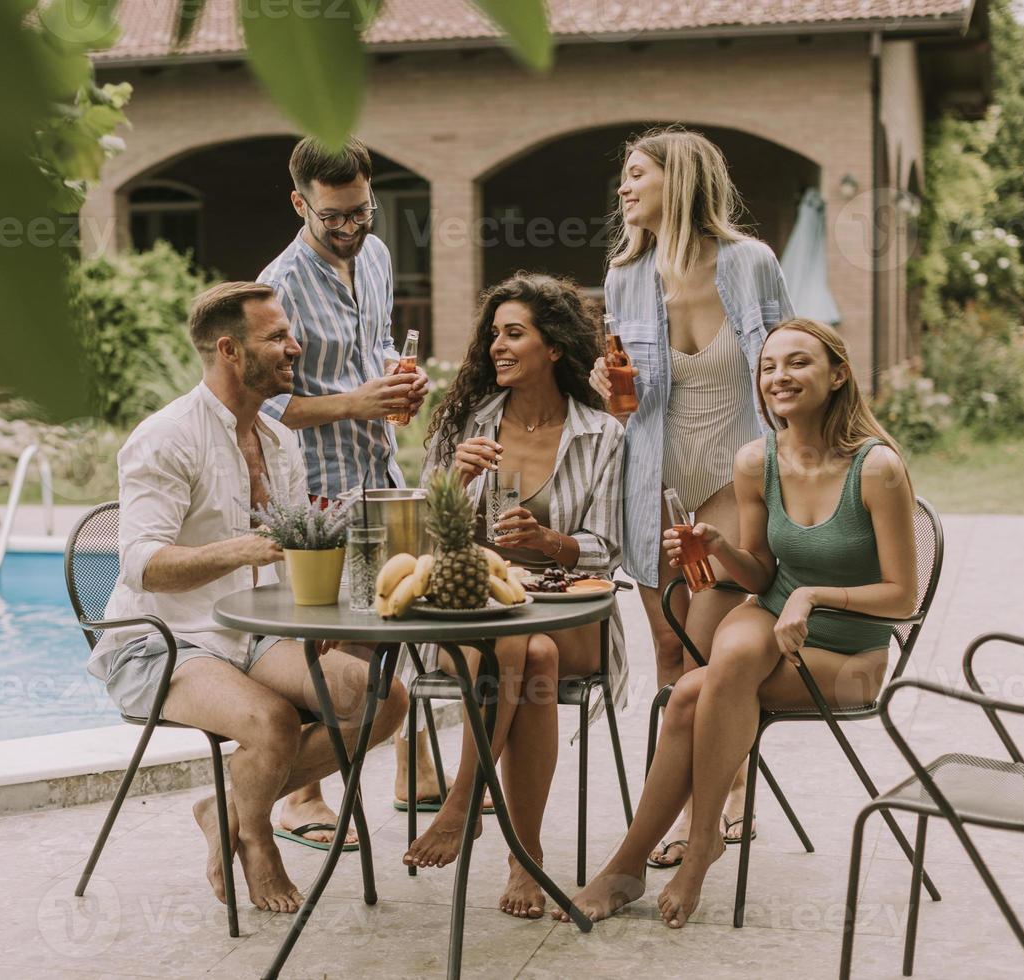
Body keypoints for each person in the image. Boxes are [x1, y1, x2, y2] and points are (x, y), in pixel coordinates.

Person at [559, 317, 917, 928]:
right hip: (770, 619)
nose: (779, 376)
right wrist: (719, 546)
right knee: (722, 668)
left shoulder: (877, 468)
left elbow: (902, 596)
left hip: (849, 653)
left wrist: (811, 596)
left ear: (838, 375)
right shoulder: (757, 461)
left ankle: (673, 857)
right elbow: (759, 574)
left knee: (688, 699)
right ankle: (669, 852)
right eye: (769, 365)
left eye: (798, 362)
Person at [88, 281, 409, 914]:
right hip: (162, 643)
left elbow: (294, 548)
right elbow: (141, 564)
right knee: (273, 723)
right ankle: (257, 838)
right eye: (278, 338)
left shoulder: (279, 438)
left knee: (380, 698)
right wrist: (241, 549)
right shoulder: (165, 438)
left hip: (253, 634)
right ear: (231, 350)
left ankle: (228, 807)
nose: (295, 347)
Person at [589, 125, 795, 866]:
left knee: (715, 645)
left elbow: (787, 370)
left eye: (637, 174)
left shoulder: (749, 264)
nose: (624, 188)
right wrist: (605, 393)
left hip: (734, 479)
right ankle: (688, 806)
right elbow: (625, 403)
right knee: (672, 650)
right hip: (651, 482)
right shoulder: (624, 277)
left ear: (679, 183)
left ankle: (723, 802)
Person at [404, 273, 627, 919]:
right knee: (530, 655)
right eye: (493, 334)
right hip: (478, 617)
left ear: (553, 346)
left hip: (568, 613)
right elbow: (420, 538)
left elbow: (608, 549)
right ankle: (522, 860)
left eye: (514, 333)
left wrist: (551, 541)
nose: (497, 345)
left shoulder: (600, 434)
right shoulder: (468, 425)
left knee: (532, 644)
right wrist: (453, 480)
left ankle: (461, 806)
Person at [258, 136, 440, 845]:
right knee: (326, 649)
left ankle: (407, 769)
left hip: (381, 474)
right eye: (332, 215)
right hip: (318, 492)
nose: (348, 227)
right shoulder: (277, 287)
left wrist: (403, 383)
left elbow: (376, 351)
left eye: (359, 210)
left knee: (391, 631)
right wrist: (353, 404)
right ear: (300, 202)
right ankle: (302, 798)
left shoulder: (379, 254)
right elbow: (267, 404)